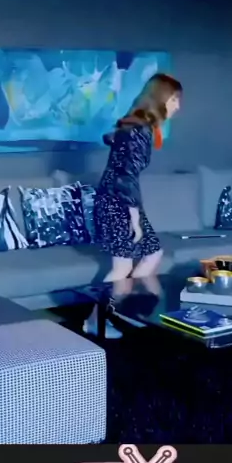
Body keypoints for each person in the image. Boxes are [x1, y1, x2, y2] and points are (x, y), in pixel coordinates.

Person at [84, 73, 182, 337]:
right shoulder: (139, 131)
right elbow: (127, 177)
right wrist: (134, 219)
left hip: (119, 200)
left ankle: (127, 311)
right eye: (174, 99)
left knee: (152, 253)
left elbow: (124, 168)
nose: (177, 106)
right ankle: (95, 321)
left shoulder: (137, 126)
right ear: (161, 99)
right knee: (122, 268)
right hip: (116, 202)